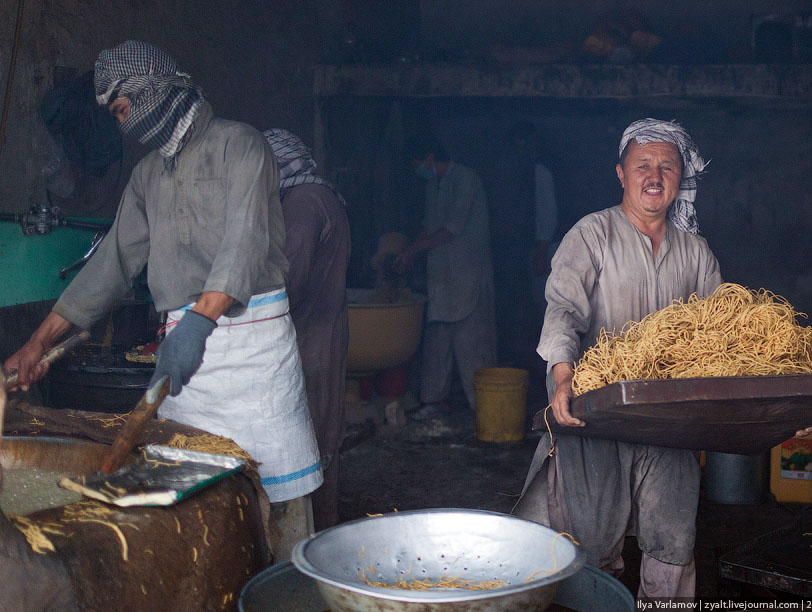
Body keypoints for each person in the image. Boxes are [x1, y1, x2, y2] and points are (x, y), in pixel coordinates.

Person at [3, 41, 321, 559]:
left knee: (278, 501)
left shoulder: (240, 146)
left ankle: (290, 584)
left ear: (153, 93)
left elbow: (243, 244)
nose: (124, 126)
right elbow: (111, 265)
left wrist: (198, 323)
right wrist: (38, 343)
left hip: (253, 351)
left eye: (124, 110)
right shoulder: (149, 175)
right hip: (186, 361)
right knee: (200, 499)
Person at [513, 118, 721, 598]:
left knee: (673, 538)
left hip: (671, 417)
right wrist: (563, 378)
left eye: (667, 167)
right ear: (621, 174)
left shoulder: (696, 252)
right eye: (642, 165)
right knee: (593, 536)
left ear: (679, 180)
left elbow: (721, 338)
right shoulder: (591, 234)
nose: (654, 176)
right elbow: (564, 309)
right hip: (598, 411)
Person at [262, 128, 351, 532]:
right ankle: (322, 527)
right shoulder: (323, 195)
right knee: (324, 430)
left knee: (306, 435)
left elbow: (286, 283)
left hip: (304, 338)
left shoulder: (300, 206)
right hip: (326, 332)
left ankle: (306, 536)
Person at [396, 134, 496, 418]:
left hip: (467, 273)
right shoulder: (433, 184)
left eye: (418, 163)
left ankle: (484, 406)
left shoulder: (466, 180)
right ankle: (434, 400)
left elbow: (451, 229)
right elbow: (430, 226)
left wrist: (413, 251)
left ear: (429, 157)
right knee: (437, 338)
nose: (418, 170)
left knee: (471, 342)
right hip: (441, 276)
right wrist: (408, 250)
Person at [492, 120, 560, 369]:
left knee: (548, 307)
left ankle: (551, 369)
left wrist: (542, 249)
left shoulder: (541, 169)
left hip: (547, 247)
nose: (521, 150)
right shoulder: (529, 169)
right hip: (540, 247)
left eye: (523, 145)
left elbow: (546, 210)